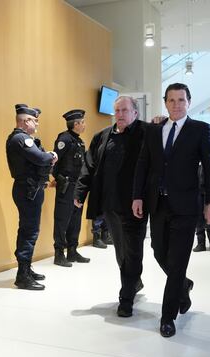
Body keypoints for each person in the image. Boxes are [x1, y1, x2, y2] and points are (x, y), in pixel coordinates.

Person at [133, 83, 210, 337]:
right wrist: (137, 196)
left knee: (178, 260)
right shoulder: (154, 130)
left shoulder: (200, 130)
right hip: (158, 204)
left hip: (185, 207)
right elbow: (142, 164)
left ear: (189, 102)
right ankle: (184, 285)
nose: (176, 104)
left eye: (181, 100)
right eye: (171, 100)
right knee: (159, 252)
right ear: (165, 102)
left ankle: (168, 317)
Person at [74, 96, 148, 318]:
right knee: (121, 251)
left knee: (133, 251)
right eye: (117, 110)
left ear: (135, 112)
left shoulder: (146, 133)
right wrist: (80, 192)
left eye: (125, 110)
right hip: (110, 205)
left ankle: (126, 299)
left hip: (135, 205)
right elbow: (89, 166)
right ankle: (133, 281)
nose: (121, 114)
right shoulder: (102, 137)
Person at [6, 104, 57, 290]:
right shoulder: (21, 139)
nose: (36, 124)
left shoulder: (26, 139)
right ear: (26, 121)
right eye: (35, 120)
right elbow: (42, 159)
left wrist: (46, 157)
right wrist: (51, 154)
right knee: (29, 231)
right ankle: (22, 275)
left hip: (31, 189)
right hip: (27, 190)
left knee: (30, 230)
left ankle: (26, 269)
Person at [52, 109, 89, 267]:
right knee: (62, 219)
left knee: (75, 219)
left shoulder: (79, 141)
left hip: (77, 185)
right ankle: (59, 253)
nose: (84, 125)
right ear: (76, 124)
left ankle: (72, 251)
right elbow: (54, 161)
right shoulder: (65, 139)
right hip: (66, 185)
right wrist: (57, 179)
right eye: (82, 122)